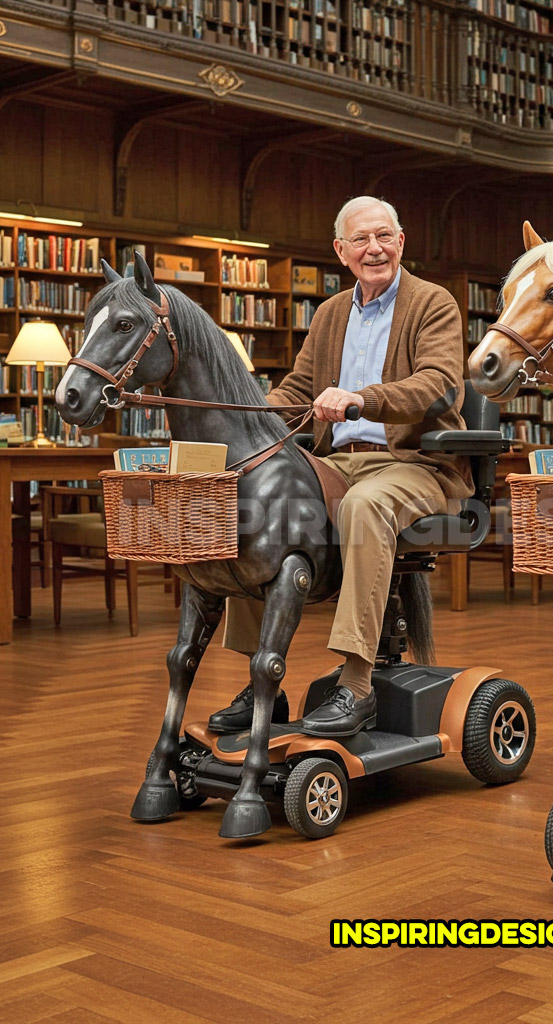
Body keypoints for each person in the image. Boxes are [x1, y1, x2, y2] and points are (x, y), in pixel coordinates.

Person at [208, 196, 472, 737]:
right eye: (361, 240)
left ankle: (356, 686)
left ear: (401, 242)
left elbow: (439, 383)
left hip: (416, 464)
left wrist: (361, 400)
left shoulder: (433, 302)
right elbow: (298, 392)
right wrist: (237, 418)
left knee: (364, 505)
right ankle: (264, 683)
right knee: (260, 501)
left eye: (383, 236)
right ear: (341, 251)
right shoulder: (330, 314)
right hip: (337, 461)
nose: (373, 248)